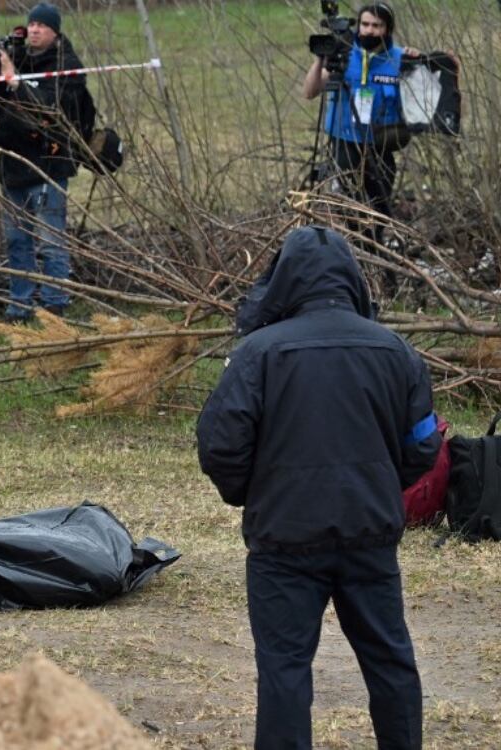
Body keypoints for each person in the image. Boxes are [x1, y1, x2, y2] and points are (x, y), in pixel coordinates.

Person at [196, 226, 439, 750]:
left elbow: (220, 443)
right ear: (352, 280)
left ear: (284, 280)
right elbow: (424, 443)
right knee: (390, 661)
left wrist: (252, 493)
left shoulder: (258, 352)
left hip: (284, 539)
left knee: (284, 672)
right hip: (369, 533)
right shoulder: (397, 352)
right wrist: (377, 484)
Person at [0, 2, 97, 321]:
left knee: (51, 241)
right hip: (13, 165)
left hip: (49, 166)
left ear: (55, 31)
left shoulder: (67, 66)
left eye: (42, 26)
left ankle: (54, 304)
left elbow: (50, 111)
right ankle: (19, 303)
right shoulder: (17, 57)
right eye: (31, 24)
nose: (34, 29)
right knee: (16, 241)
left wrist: (17, 82)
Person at [303, 3, 416, 238]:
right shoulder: (343, 53)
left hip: (381, 142)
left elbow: (426, 96)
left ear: (387, 29)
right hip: (344, 141)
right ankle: (355, 249)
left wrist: (420, 62)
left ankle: (376, 248)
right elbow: (310, 92)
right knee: (348, 208)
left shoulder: (399, 59)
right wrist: (320, 61)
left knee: (380, 208)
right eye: (365, 24)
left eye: (377, 26)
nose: (369, 30)